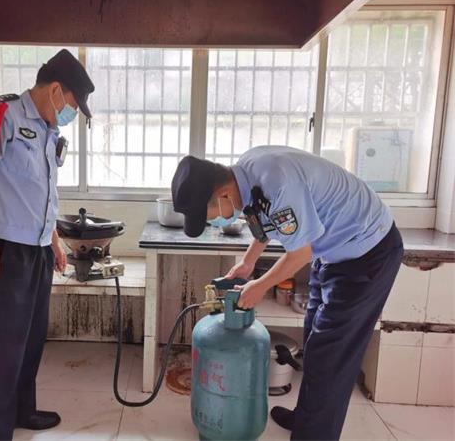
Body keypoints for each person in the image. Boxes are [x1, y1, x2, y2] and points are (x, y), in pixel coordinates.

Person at [171, 145, 403, 440]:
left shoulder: (278, 182)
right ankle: (307, 418)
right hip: (332, 251)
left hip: (367, 253)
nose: (212, 222)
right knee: (315, 342)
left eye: (209, 215)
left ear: (223, 195)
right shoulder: (246, 175)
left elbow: (299, 254)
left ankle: (314, 435)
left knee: (332, 357)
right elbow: (263, 217)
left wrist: (260, 286)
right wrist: (248, 262)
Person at [0, 49, 95, 441]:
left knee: (30, 339)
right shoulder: (0, 115)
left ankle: (22, 410)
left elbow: (41, 192)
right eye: (71, 104)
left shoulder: (49, 131)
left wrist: (54, 240)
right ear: (55, 90)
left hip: (38, 251)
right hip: (3, 250)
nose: (69, 113)